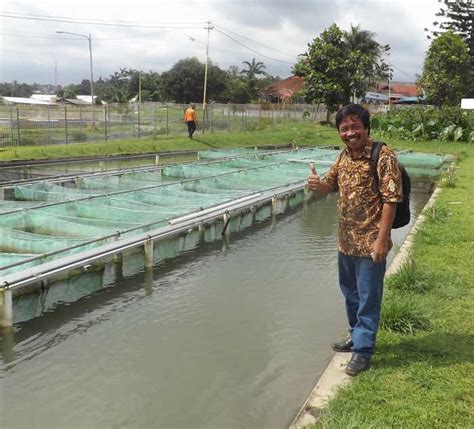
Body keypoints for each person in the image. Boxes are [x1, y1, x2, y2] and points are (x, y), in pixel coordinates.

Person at [307, 104, 402, 376]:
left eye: (355, 127)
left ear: (366, 128)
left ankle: (363, 351)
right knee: (350, 293)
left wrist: (382, 240)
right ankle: (355, 335)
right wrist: (318, 187)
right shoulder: (343, 157)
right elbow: (329, 186)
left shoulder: (383, 156)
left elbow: (391, 200)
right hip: (345, 242)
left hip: (371, 242)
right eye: (344, 128)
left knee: (368, 298)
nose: (350, 133)